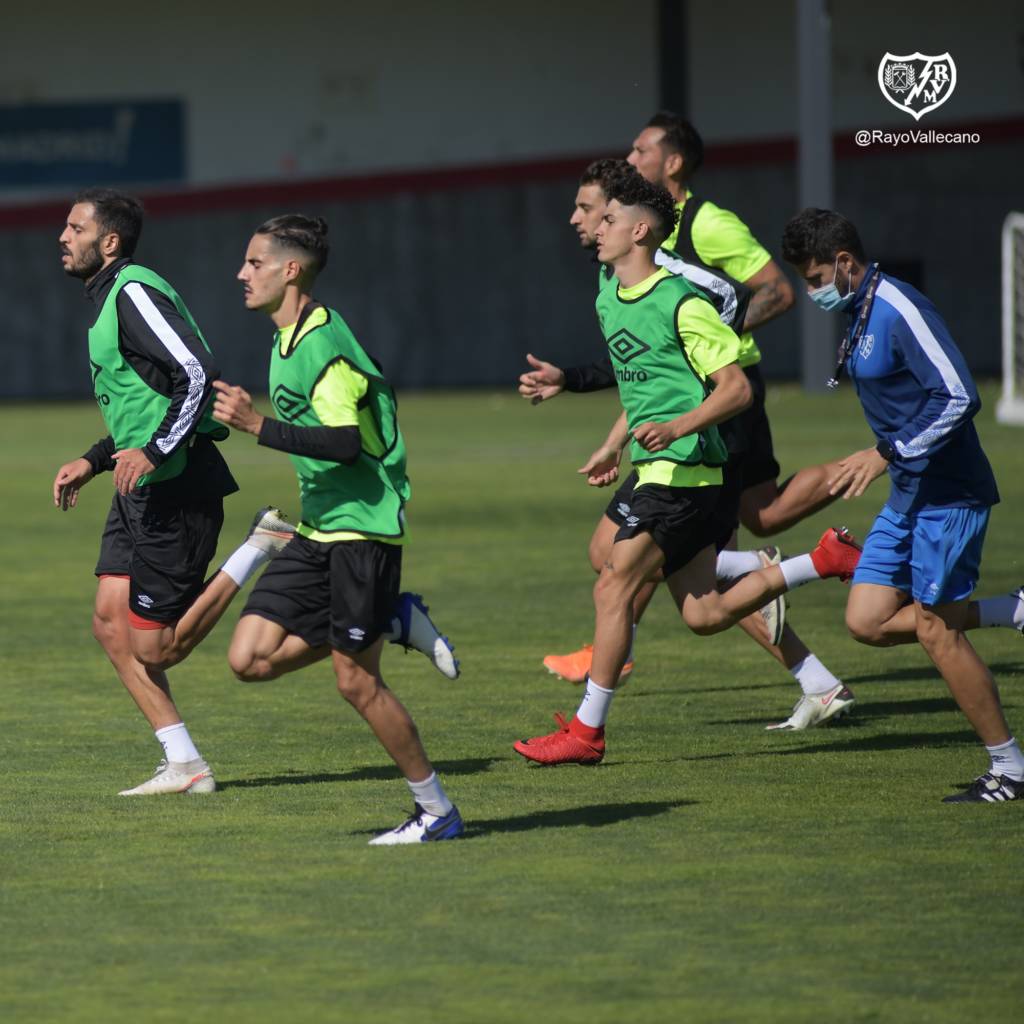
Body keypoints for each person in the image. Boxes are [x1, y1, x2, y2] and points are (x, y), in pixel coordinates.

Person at [513, 178, 861, 766]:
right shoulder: (608, 295)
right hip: (657, 468)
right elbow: (645, 383)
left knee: (614, 584)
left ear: (639, 230)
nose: (594, 227)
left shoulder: (683, 302)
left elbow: (735, 390)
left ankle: (586, 732)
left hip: (686, 474)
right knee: (703, 613)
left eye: (606, 218)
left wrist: (677, 429)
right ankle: (821, 560)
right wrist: (613, 444)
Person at [212, 214, 464, 843]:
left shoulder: (321, 343)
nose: (241, 274)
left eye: (254, 263)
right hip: (319, 530)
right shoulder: (284, 339)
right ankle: (392, 618)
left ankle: (436, 811)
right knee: (248, 659)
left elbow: (347, 444)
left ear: (290, 270)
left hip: (362, 529)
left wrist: (256, 426)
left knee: (356, 681)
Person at [53, 187, 297, 796]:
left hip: (177, 488)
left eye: (75, 227)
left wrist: (156, 451)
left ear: (109, 242)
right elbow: (144, 402)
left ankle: (259, 547)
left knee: (156, 648)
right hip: (139, 490)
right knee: (111, 626)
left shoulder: (133, 289)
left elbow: (196, 373)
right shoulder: (110, 296)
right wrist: (94, 459)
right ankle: (185, 764)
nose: (63, 235)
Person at [781, 207, 1024, 802]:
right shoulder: (860, 309)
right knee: (866, 620)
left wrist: (885, 452)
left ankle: (1010, 769)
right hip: (910, 493)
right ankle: (1011, 610)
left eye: (814, 280)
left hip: (950, 494)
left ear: (844, 262)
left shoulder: (899, 307)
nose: (810, 292)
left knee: (940, 634)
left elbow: (960, 395)